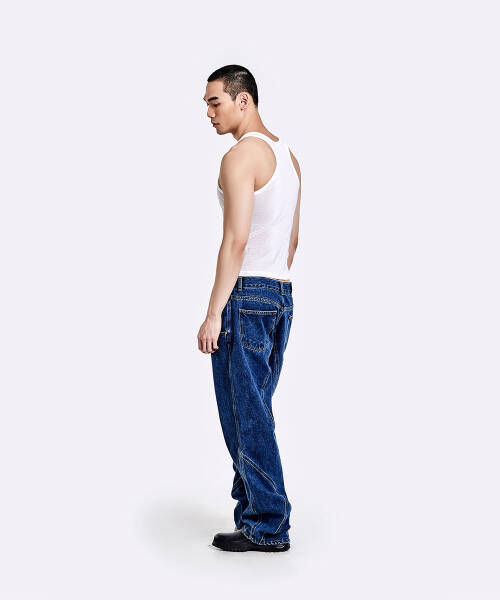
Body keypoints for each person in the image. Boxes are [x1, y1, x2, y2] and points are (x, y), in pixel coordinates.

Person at [198, 65, 301, 552]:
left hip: (246, 297)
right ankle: (254, 513)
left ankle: (268, 524)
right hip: (280, 296)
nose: (209, 113)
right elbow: (293, 242)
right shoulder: (289, 157)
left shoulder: (240, 157)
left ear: (244, 100)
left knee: (245, 417)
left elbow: (235, 240)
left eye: (215, 101)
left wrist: (213, 312)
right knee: (255, 412)